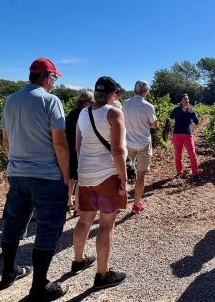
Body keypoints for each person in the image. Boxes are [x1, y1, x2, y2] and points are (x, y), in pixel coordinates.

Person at [0, 58, 70, 300]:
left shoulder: (11, 100)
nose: (55, 83)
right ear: (48, 78)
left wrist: (17, 163)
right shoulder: (51, 101)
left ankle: (8, 271)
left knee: (13, 222)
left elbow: (5, 141)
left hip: (17, 174)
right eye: (55, 78)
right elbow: (60, 145)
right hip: (47, 175)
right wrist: (66, 175)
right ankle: (39, 285)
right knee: (48, 227)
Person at [72, 76, 127, 289]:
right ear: (112, 95)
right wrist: (123, 180)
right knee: (106, 224)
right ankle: (102, 275)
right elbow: (118, 150)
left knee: (84, 220)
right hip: (107, 177)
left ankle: (78, 261)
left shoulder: (83, 113)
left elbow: (78, 147)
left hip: (85, 175)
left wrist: (83, 172)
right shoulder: (114, 112)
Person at [122, 80, 158, 213]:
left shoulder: (125, 103)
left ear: (135, 90)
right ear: (146, 91)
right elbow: (154, 125)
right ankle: (136, 205)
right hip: (143, 143)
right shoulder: (148, 106)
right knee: (141, 176)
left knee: (123, 174)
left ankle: (121, 202)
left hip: (128, 143)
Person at [66, 91, 95, 217]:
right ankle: (78, 208)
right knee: (80, 180)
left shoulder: (71, 113)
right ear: (87, 103)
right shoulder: (85, 115)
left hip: (69, 149)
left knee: (71, 178)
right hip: (80, 150)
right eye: (93, 103)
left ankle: (68, 203)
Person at [170, 94, 201, 182]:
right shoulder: (177, 109)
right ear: (181, 102)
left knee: (192, 153)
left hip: (188, 135)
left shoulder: (191, 110)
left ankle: (195, 174)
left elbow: (196, 122)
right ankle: (180, 172)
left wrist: (193, 113)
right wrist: (182, 111)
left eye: (187, 99)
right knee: (178, 155)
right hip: (177, 135)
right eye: (185, 99)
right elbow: (171, 116)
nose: (187, 101)